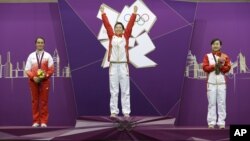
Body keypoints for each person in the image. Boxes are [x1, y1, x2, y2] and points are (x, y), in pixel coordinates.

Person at [100, 5, 137, 118]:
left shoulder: (126, 36)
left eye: (120, 27)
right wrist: (103, 13)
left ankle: (126, 111)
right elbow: (107, 25)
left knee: (125, 90)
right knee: (114, 90)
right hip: (113, 66)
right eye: (117, 27)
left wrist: (134, 13)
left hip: (123, 66)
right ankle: (114, 112)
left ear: (123, 29)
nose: (118, 29)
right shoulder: (112, 36)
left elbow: (130, 25)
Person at [25, 37, 54, 127]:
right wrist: (33, 78)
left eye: (42, 42)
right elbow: (27, 69)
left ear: (44, 44)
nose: (40, 44)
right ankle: (36, 121)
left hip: (44, 81)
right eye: (38, 42)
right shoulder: (31, 56)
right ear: (35, 44)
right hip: (33, 81)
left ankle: (44, 121)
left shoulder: (48, 56)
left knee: (44, 101)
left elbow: (51, 69)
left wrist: (43, 76)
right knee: (35, 101)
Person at [202, 38, 231, 129]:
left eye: (217, 44)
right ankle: (211, 122)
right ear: (211, 45)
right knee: (211, 103)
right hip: (211, 83)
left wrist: (221, 66)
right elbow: (205, 68)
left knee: (222, 103)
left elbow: (227, 68)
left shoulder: (225, 56)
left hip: (222, 83)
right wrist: (215, 65)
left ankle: (221, 122)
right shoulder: (207, 56)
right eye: (214, 44)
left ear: (220, 46)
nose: (215, 45)